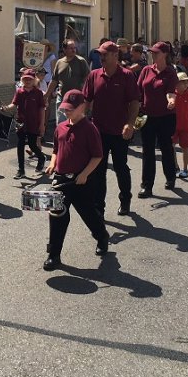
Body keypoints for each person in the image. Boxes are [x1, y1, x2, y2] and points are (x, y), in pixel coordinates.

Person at [42, 90, 110, 272]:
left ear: (82, 107)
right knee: (57, 215)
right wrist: (52, 164)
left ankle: (102, 236)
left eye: (71, 109)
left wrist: (85, 174)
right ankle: (53, 255)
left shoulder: (90, 129)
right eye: (65, 108)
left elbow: (97, 156)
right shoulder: (60, 128)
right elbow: (56, 150)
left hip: (81, 181)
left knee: (89, 214)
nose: (67, 112)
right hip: (62, 180)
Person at [82, 40, 140, 216]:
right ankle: (99, 207)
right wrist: (80, 121)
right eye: (100, 54)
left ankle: (125, 199)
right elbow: (86, 100)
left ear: (115, 56)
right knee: (98, 171)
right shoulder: (94, 75)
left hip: (120, 132)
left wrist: (130, 124)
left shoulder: (127, 76)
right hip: (98, 131)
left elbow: (134, 102)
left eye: (104, 54)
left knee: (120, 167)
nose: (101, 57)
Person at [136, 42, 178, 197]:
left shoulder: (170, 72)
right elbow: (138, 91)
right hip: (147, 116)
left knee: (166, 148)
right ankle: (147, 186)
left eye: (156, 53)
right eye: (152, 52)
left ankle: (170, 176)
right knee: (148, 151)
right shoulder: (146, 70)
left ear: (165, 54)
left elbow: (171, 92)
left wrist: (171, 101)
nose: (153, 55)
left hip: (166, 117)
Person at [2, 68, 48, 178]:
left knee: (32, 144)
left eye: (30, 79)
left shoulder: (38, 93)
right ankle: (21, 170)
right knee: (20, 145)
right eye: (25, 79)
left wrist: (42, 125)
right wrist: (6, 108)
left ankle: (41, 158)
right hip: (21, 123)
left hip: (34, 123)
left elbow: (42, 109)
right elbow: (14, 104)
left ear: (34, 80)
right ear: (22, 80)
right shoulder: (20, 92)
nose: (27, 81)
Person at [45, 39, 90, 124]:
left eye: (74, 48)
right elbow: (54, 80)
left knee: (76, 124)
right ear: (64, 50)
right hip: (62, 98)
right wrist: (46, 95)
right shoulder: (59, 62)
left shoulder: (81, 61)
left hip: (77, 99)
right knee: (61, 124)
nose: (74, 50)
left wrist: (86, 96)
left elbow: (88, 79)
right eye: (70, 48)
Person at [173, 72, 188, 179]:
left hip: (186, 126)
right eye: (183, 82)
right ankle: (175, 167)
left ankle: (185, 168)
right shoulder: (172, 94)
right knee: (171, 146)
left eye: (187, 82)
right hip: (173, 126)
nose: (186, 84)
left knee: (185, 148)